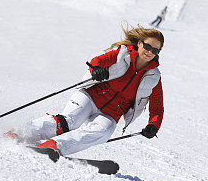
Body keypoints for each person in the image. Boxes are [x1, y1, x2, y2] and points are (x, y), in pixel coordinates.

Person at [16, 25, 164, 157]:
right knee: (69, 122)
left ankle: (54, 146)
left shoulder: (153, 77)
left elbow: (157, 107)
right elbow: (97, 61)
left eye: (155, 50)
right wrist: (97, 71)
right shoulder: (122, 54)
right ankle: (20, 133)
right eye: (147, 46)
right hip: (91, 96)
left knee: (104, 131)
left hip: (111, 113)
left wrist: (153, 125)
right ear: (139, 43)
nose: (149, 52)